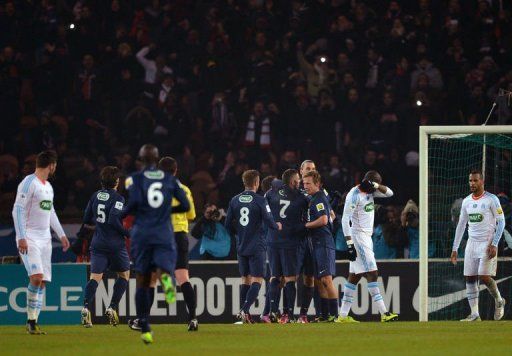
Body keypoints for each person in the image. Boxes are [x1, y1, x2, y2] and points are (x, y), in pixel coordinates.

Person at [124, 144, 189, 344]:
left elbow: (133, 205)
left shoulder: (133, 179)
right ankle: (165, 278)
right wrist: (166, 211)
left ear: (141, 159)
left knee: (142, 280)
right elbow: (186, 205)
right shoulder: (169, 179)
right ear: (157, 158)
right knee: (163, 268)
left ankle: (144, 326)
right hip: (163, 233)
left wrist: (123, 213)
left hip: (142, 234)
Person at [12, 150, 70, 334]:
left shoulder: (48, 187)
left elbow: (51, 212)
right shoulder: (29, 183)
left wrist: (61, 235)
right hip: (29, 237)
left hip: (45, 239)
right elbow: (17, 210)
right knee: (36, 278)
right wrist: (21, 236)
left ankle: (34, 322)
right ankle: (30, 320)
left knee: (42, 282)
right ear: (52, 165)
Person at [337, 170, 398, 323]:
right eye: (374, 185)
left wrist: (376, 185)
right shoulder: (354, 195)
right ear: (366, 182)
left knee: (354, 276)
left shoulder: (372, 191)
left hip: (366, 237)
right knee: (372, 272)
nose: (376, 189)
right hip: (358, 237)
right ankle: (384, 313)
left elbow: (390, 193)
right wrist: (350, 244)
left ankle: (342, 316)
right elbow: (345, 220)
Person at [225, 170, 281, 324]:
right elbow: (269, 220)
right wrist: (277, 226)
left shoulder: (234, 200)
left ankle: (246, 316)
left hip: (241, 245)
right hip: (257, 246)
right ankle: (244, 310)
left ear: (245, 183)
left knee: (245, 279)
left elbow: (227, 224)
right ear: (256, 183)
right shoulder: (260, 200)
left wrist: (239, 234)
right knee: (257, 279)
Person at [451, 170, 506, 321]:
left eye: (475, 181)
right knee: (469, 277)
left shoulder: (491, 199)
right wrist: (454, 248)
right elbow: (461, 225)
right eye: (470, 181)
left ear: (482, 182)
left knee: (484, 276)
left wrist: (494, 244)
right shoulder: (467, 201)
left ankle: (499, 300)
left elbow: (501, 222)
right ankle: (475, 314)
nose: (472, 184)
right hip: (471, 243)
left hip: (487, 242)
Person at [80, 166, 130, 328]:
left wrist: (98, 225)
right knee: (123, 275)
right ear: (116, 182)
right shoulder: (118, 199)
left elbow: (87, 218)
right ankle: (112, 307)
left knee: (95, 277)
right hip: (115, 244)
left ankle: (86, 308)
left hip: (98, 243)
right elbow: (114, 220)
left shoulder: (95, 196)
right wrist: (128, 233)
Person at [160, 156, 198, 331]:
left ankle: (169, 292)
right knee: (183, 277)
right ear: (176, 171)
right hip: (180, 235)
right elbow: (191, 216)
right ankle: (193, 318)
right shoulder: (184, 189)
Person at [265, 169, 308, 323]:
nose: (300, 182)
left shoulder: (271, 193)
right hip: (290, 241)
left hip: (273, 241)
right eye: (298, 180)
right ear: (292, 182)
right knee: (290, 278)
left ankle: (272, 311)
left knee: (275, 277)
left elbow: (265, 213)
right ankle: (288, 314)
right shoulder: (300, 197)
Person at [302, 170, 338, 322]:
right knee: (320, 281)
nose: (305, 186)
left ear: (317, 184)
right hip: (316, 244)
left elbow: (323, 220)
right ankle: (324, 315)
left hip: (323, 243)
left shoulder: (318, 198)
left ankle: (336, 316)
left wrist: (306, 225)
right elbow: (330, 216)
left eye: (308, 183)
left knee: (326, 280)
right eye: (304, 183)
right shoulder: (314, 198)